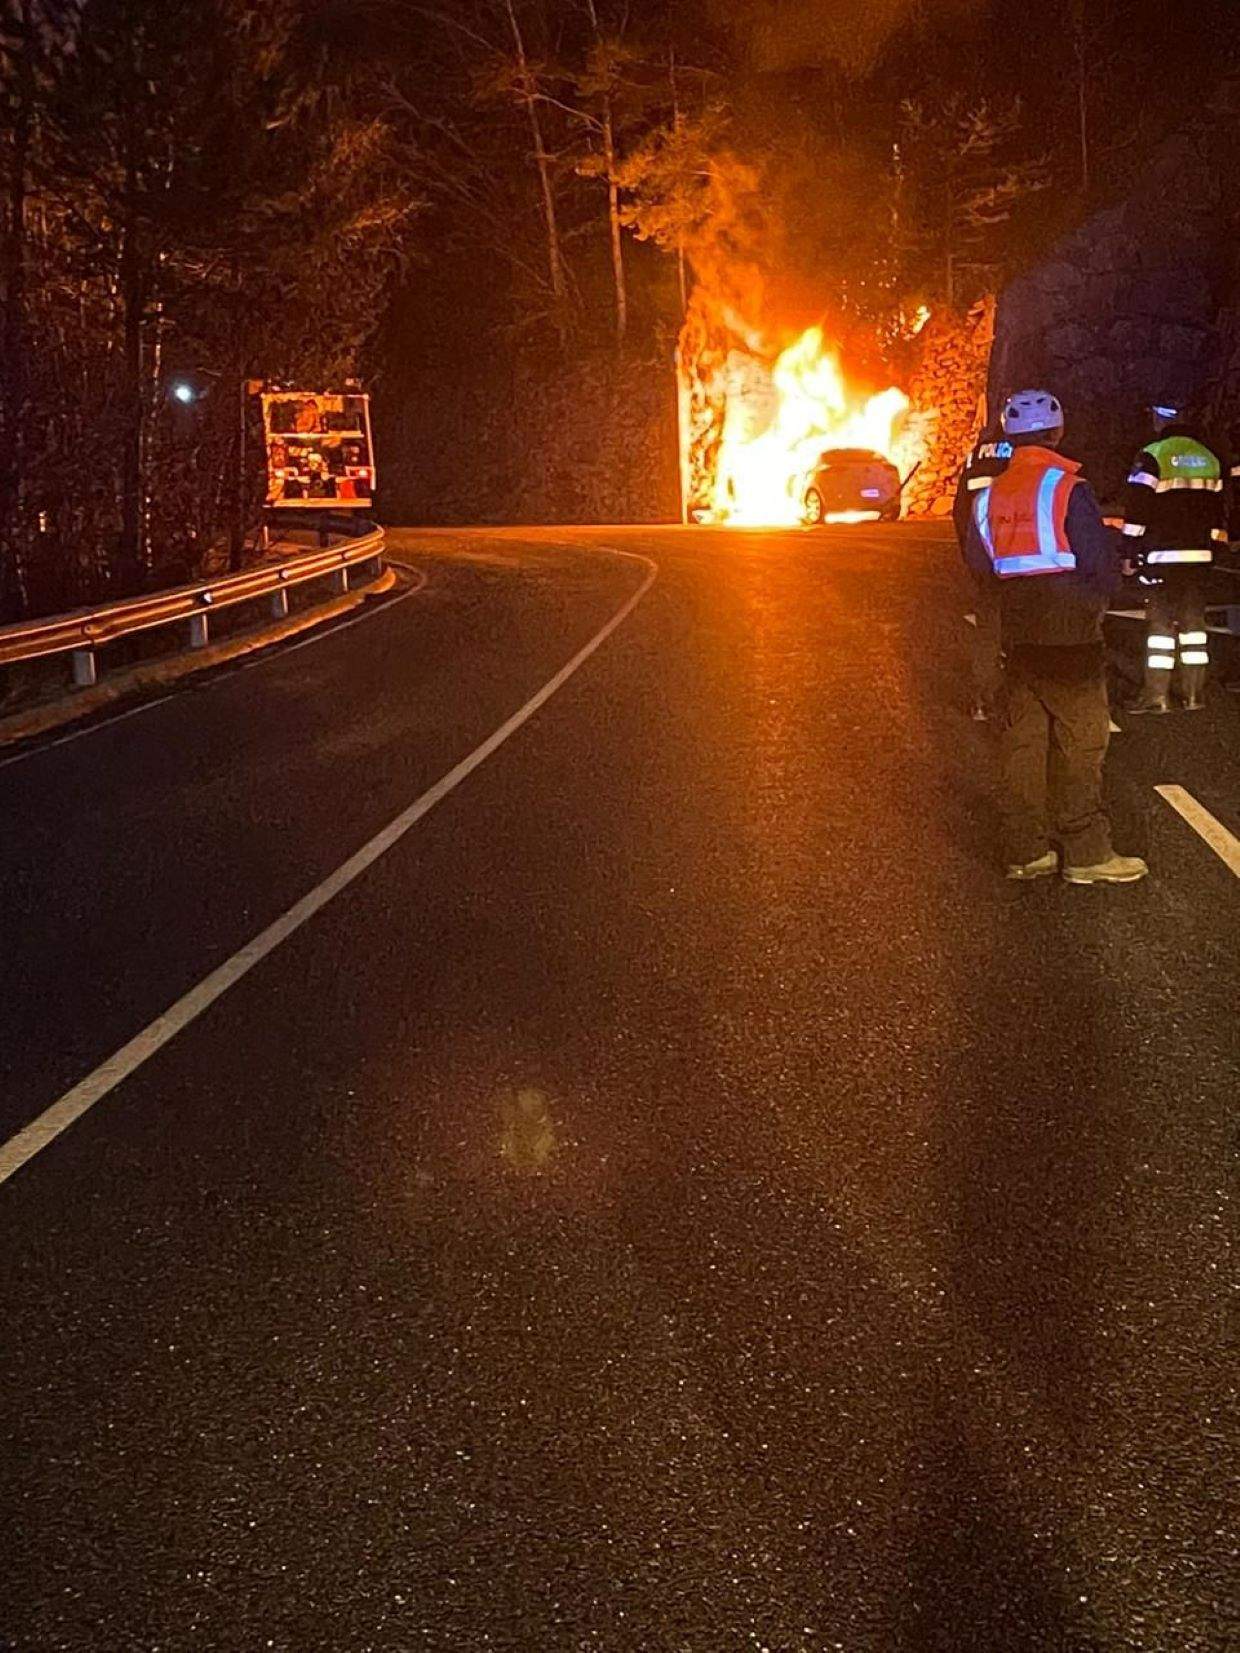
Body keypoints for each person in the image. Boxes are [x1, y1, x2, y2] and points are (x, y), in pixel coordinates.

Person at [964, 389, 1148, 884]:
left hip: (1018, 636)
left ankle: (1026, 851)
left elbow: (981, 569)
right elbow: (1100, 564)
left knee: (1023, 746)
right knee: (1082, 743)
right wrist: (1101, 593)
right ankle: (1087, 851)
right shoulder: (1067, 489)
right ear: (1056, 432)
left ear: (1010, 436)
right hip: (1070, 635)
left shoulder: (988, 498)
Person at [1121, 402, 1227, 713]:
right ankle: (1194, 694)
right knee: (1195, 625)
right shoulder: (1209, 457)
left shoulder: (1153, 455)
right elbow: (1219, 510)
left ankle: (1156, 696)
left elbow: (1137, 510)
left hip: (1162, 556)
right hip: (1199, 556)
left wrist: (1129, 551)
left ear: (1159, 420)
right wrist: (1214, 550)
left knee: (1160, 630)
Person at [953, 403, 1012, 721]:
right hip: (1024, 557)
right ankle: (1018, 700)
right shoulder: (1024, 452)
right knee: (1026, 627)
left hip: (986, 557)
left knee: (988, 630)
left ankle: (983, 701)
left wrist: (970, 551)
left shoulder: (976, 455)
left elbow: (960, 507)